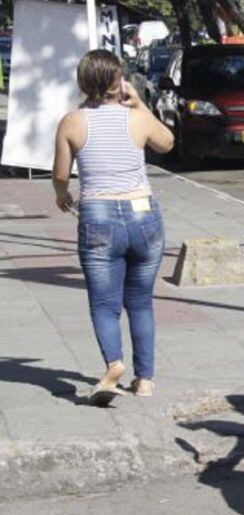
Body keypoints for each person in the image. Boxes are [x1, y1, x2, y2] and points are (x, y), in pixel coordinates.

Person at [52, 50, 174, 406]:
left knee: (105, 304)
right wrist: (141, 107)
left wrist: (62, 195)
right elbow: (166, 143)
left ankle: (114, 364)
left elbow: (61, 173)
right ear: (118, 80)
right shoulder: (136, 118)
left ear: (83, 82)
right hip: (144, 216)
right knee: (141, 301)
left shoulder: (72, 122)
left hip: (98, 217)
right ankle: (146, 380)